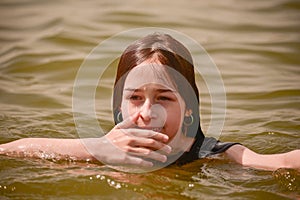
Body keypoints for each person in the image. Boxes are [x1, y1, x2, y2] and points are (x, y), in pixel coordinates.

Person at [0, 33, 299, 171]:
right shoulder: (106, 150)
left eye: (164, 98)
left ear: (189, 107)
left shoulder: (214, 155)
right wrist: (97, 150)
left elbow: (280, 162)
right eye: (135, 98)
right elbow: (12, 151)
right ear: (119, 107)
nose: (147, 113)